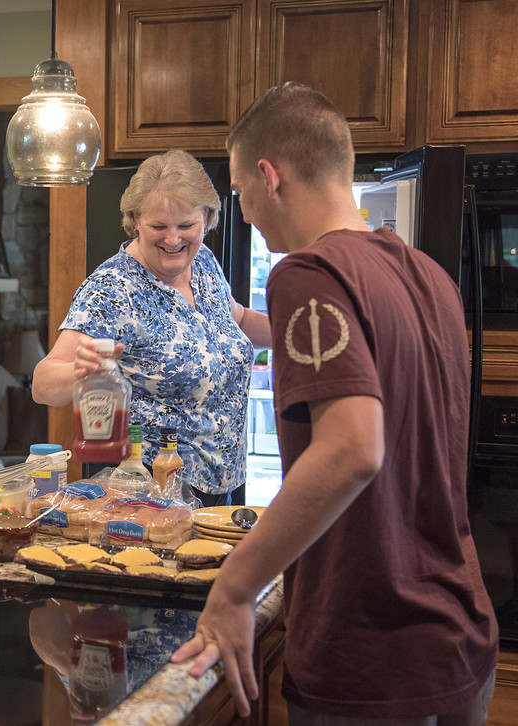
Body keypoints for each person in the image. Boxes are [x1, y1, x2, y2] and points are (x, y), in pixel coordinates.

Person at [170, 82, 498, 723]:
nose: (247, 213)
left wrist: (235, 588)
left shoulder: (308, 272)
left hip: (371, 653)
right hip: (458, 633)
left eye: (239, 193)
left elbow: (352, 448)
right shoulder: (429, 276)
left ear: (270, 176)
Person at [31, 150, 271, 505]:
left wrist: (303, 330)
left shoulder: (202, 262)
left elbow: (236, 318)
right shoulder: (111, 290)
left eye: (186, 226)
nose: (173, 240)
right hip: (150, 493)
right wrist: (79, 372)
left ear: (206, 217)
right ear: (135, 221)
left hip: (223, 484)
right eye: (159, 226)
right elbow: (43, 384)